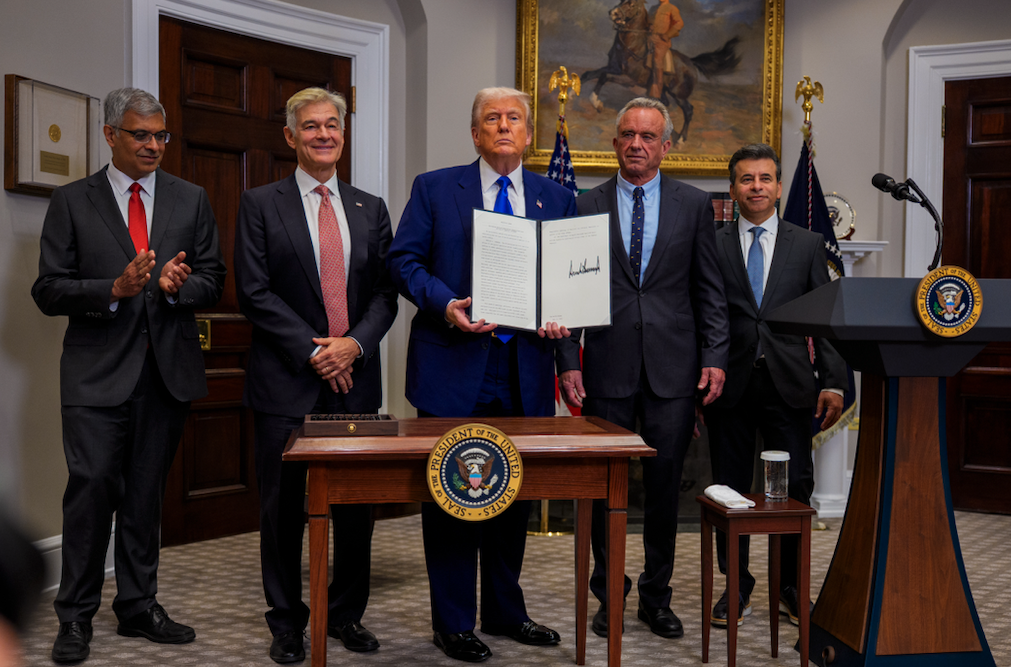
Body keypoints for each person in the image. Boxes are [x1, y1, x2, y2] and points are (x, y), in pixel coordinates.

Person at [32, 87, 226, 663]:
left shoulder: (191, 199)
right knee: (91, 491)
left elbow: (213, 278)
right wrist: (113, 289)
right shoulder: (72, 200)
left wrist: (177, 287)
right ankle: (75, 617)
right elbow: (48, 289)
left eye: (161, 135)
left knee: (145, 497)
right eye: (141, 134)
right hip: (94, 376)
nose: (153, 145)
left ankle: (138, 606)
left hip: (165, 374)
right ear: (110, 135)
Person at [387, 86, 575, 663]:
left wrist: (562, 326)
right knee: (453, 492)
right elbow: (403, 261)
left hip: (525, 367)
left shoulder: (556, 197)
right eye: (492, 118)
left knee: (510, 494)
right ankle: (452, 622)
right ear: (475, 134)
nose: (503, 126)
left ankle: (504, 612)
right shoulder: (435, 188)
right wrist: (445, 304)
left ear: (528, 134)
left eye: (514, 118)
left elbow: (566, 281)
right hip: (453, 361)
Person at [234, 87, 398, 664]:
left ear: (343, 135)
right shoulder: (259, 204)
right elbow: (253, 292)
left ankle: (346, 613)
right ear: (290, 136)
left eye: (332, 125)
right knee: (281, 510)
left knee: (355, 508)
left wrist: (352, 345)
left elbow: (386, 293)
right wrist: (317, 352)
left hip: (356, 380)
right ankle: (286, 622)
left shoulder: (370, 207)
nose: (323, 134)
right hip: (286, 381)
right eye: (311, 126)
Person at [557, 97, 728, 640]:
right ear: (614, 143)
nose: (636, 144)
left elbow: (709, 290)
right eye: (627, 134)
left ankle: (657, 597)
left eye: (648, 136)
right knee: (605, 487)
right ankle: (609, 593)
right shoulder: (584, 203)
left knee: (664, 489)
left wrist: (714, 357)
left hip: (674, 371)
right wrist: (567, 360)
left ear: (666, 146)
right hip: (605, 366)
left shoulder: (693, 205)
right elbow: (566, 290)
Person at [705, 143, 847, 628]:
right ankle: (736, 586)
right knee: (728, 489)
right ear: (733, 189)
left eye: (765, 178)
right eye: (746, 179)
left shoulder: (806, 244)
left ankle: (790, 586)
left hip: (790, 385)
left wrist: (835, 381)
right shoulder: (713, 243)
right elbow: (703, 313)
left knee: (795, 490)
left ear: (780, 187)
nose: (757, 187)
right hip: (729, 384)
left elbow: (825, 317)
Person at [648, 0, 685, 99]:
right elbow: (648, 22)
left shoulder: (672, 8)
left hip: (661, 41)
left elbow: (679, 23)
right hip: (650, 38)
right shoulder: (653, 8)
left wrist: (668, 35)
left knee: (657, 61)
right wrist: (650, 26)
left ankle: (657, 91)